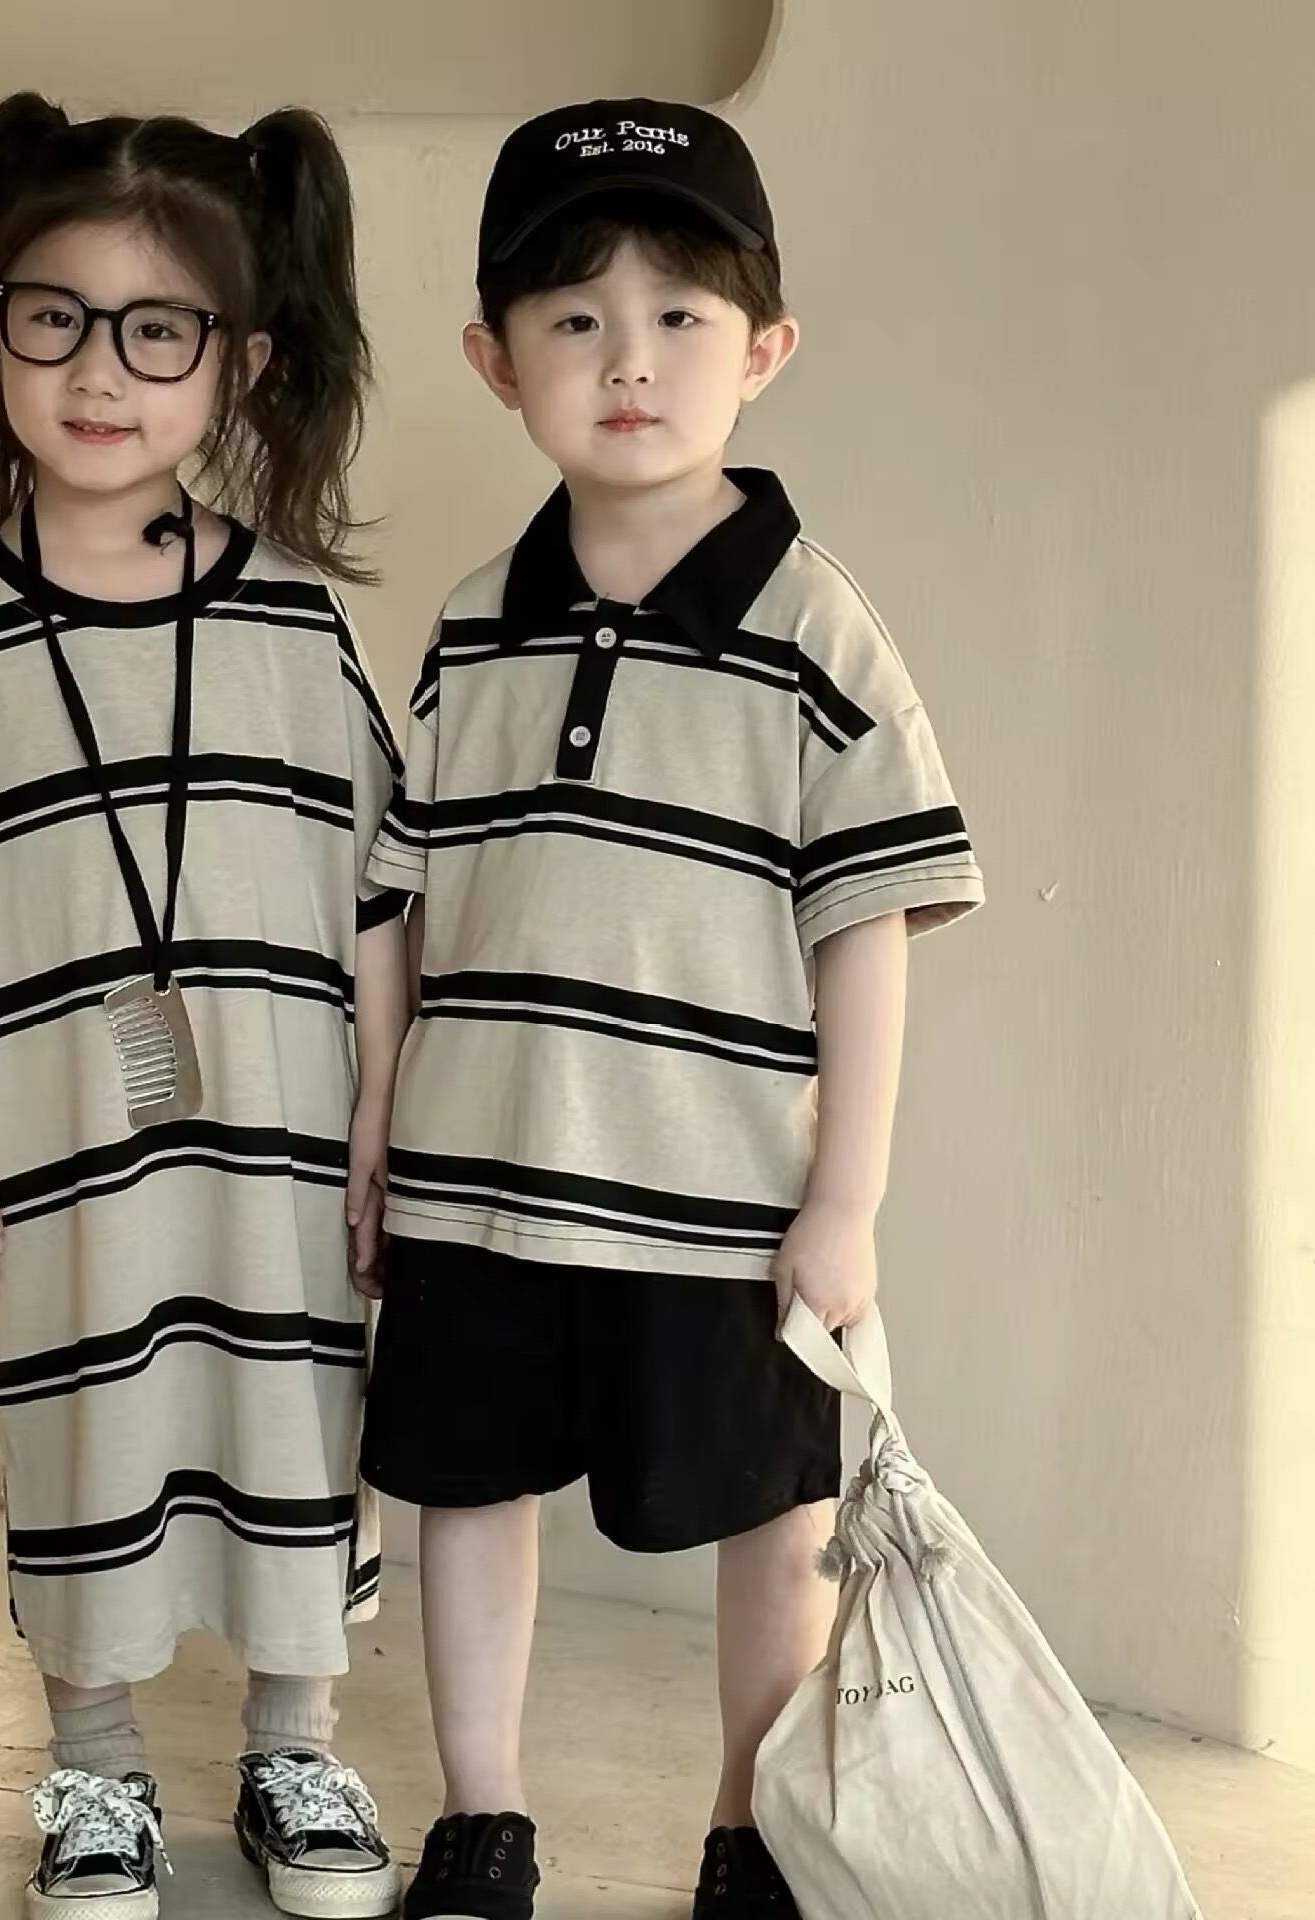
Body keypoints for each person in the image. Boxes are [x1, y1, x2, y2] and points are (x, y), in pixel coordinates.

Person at [0, 91, 410, 1920]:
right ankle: (96, 1765)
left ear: (243, 362)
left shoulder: (295, 621)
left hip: (286, 1142)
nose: (99, 372)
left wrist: (384, 1115)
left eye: (158, 331)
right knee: (84, 1418)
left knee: (296, 1412)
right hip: (63, 1136)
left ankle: (297, 1739)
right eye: (52, 317)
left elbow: (380, 889)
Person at [360, 98, 984, 1918]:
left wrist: (846, 1200)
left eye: (680, 315)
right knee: (466, 1489)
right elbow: (403, 897)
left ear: (764, 349)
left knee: (772, 1520)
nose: (627, 360)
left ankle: (747, 1827)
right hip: (478, 1179)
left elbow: (868, 925)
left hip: (719, 1197)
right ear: (496, 363)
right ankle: (482, 1815)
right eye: (574, 318)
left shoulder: (818, 635)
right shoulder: (473, 627)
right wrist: (377, 1122)